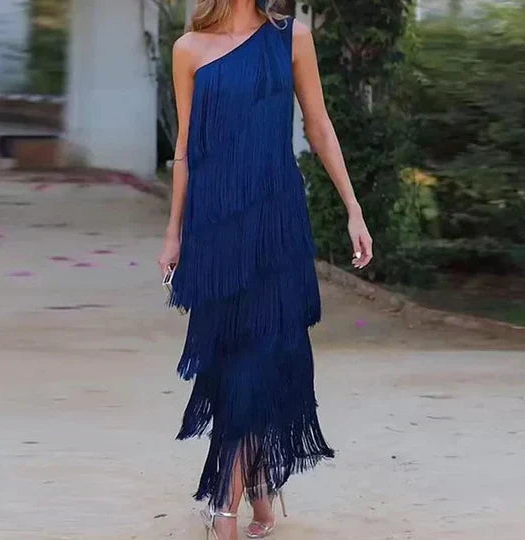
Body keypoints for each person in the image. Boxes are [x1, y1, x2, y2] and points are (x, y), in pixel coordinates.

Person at [158, 0, 372, 537]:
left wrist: (353, 209)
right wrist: (174, 231)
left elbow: (319, 125)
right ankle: (256, 486)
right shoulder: (188, 49)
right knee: (230, 358)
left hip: (277, 223)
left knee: (266, 353)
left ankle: (225, 508)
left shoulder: (291, 39)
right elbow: (184, 148)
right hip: (215, 227)